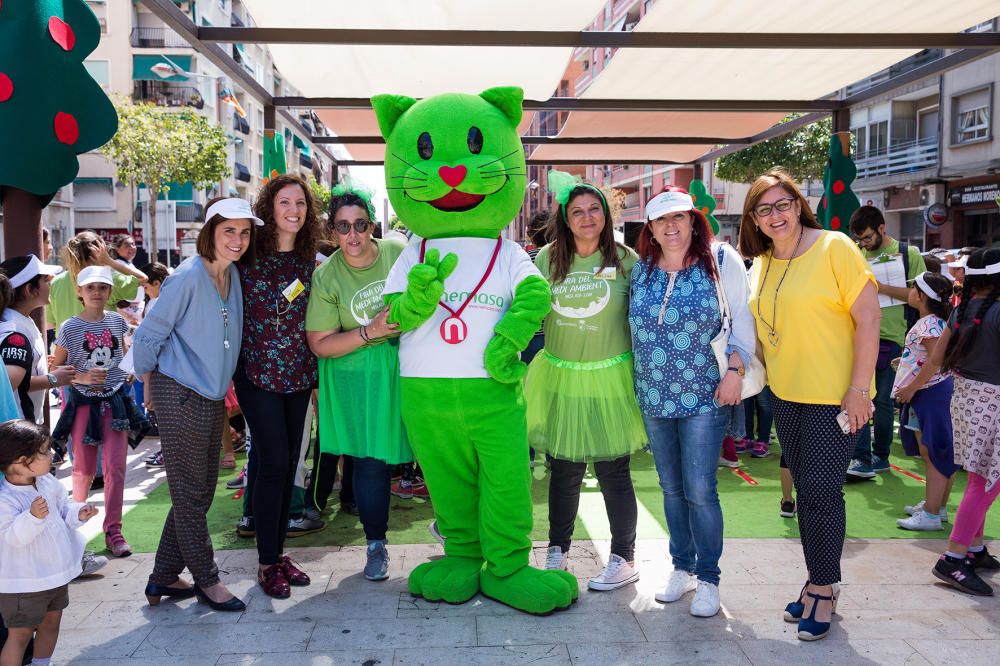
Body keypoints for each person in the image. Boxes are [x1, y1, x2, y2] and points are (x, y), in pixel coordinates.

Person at [740, 169, 879, 640]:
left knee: (821, 491)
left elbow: (868, 318)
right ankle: (818, 577)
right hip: (785, 394)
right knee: (805, 490)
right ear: (754, 220)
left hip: (834, 397)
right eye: (765, 209)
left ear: (799, 205)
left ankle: (822, 586)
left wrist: (860, 390)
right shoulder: (759, 264)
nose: (776, 216)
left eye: (783, 204)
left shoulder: (834, 246)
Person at [629, 188, 755, 617]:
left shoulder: (720, 261)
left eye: (679, 218)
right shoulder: (641, 270)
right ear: (650, 228)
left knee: (701, 489)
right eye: (662, 220)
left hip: (706, 393)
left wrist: (735, 371)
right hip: (653, 394)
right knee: (671, 487)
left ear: (693, 221)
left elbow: (742, 316)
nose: (671, 227)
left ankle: (709, 578)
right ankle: (681, 568)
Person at [132, 196, 260, 612]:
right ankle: (207, 579)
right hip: (178, 391)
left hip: (207, 394)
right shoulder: (187, 275)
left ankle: (163, 576)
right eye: (229, 231)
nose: (237, 240)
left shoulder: (233, 275)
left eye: (244, 232)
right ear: (210, 233)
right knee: (190, 493)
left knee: (200, 492)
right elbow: (150, 334)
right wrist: (148, 381)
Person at [526, 172, 646, 591]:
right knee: (564, 470)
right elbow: (526, 313)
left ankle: (624, 556)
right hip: (561, 377)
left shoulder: (627, 260)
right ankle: (557, 551)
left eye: (594, 209)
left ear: (606, 214)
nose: (587, 217)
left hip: (612, 378)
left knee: (615, 472)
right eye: (577, 211)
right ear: (565, 218)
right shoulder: (546, 259)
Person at [306, 182, 413, 581]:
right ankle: (375, 545)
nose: (352, 235)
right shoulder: (327, 276)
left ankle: (457, 532)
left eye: (360, 225)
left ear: (372, 226)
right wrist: (371, 331)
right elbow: (320, 343)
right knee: (370, 463)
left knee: (432, 448)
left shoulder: (398, 252)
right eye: (343, 227)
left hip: (408, 367)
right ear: (332, 231)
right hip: (357, 377)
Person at [233, 175, 320, 599]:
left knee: (289, 463)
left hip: (299, 374)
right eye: (285, 202)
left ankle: (278, 551)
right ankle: (267, 562)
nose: (294, 210)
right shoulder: (246, 256)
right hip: (256, 375)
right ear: (269, 207)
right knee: (272, 462)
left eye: (301, 203)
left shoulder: (311, 261)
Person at [48, 266, 147, 558]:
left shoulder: (117, 322)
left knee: (116, 467)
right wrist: (80, 377)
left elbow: (128, 350)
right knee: (83, 470)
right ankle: (73, 527)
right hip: (81, 404)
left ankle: (113, 530)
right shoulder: (68, 327)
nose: (96, 293)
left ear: (109, 292)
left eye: (102, 288)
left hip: (115, 402)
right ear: (79, 291)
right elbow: (56, 369)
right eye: (90, 287)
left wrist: (128, 372)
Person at [928, 248, 1000, 596]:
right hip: (994, 403)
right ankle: (953, 558)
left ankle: (973, 548)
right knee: (985, 483)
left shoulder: (960, 311)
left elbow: (939, 356)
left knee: (978, 478)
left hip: (967, 398)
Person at [0, 420, 98, 666]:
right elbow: (13, 538)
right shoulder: (5, 499)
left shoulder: (47, 482)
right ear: (22, 462)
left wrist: (78, 513)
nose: (51, 454)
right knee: (19, 634)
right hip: (24, 582)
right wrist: (32, 518)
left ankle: (42, 663)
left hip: (55, 574)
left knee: (52, 623)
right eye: (43, 451)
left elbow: (63, 509)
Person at [849, 206, 926, 478]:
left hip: (893, 337)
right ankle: (860, 457)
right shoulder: (856, 255)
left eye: (868, 237)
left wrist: (879, 287)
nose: (864, 244)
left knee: (881, 401)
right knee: (858, 395)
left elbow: (919, 297)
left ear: (882, 228)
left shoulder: (909, 254)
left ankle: (880, 455)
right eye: (860, 240)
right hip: (858, 335)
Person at [893, 272, 956, 531]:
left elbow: (935, 361)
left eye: (913, 288)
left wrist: (911, 387)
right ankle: (936, 506)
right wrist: (905, 364)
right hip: (934, 392)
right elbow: (928, 358)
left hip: (930, 393)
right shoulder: (939, 323)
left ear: (920, 296)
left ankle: (931, 513)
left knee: (933, 453)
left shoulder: (927, 324)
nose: (909, 291)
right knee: (934, 452)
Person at [0, 257, 74, 424]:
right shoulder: (14, 331)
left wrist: (36, 364)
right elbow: (6, 383)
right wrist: (53, 379)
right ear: (29, 289)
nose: (51, 284)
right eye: (45, 280)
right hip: (16, 427)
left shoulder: (20, 319)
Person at [46, 232, 147, 336]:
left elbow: (50, 323)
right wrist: (110, 261)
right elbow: (143, 279)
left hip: (64, 348)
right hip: (101, 347)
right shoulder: (107, 280)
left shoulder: (56, 282)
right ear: (98, 253)